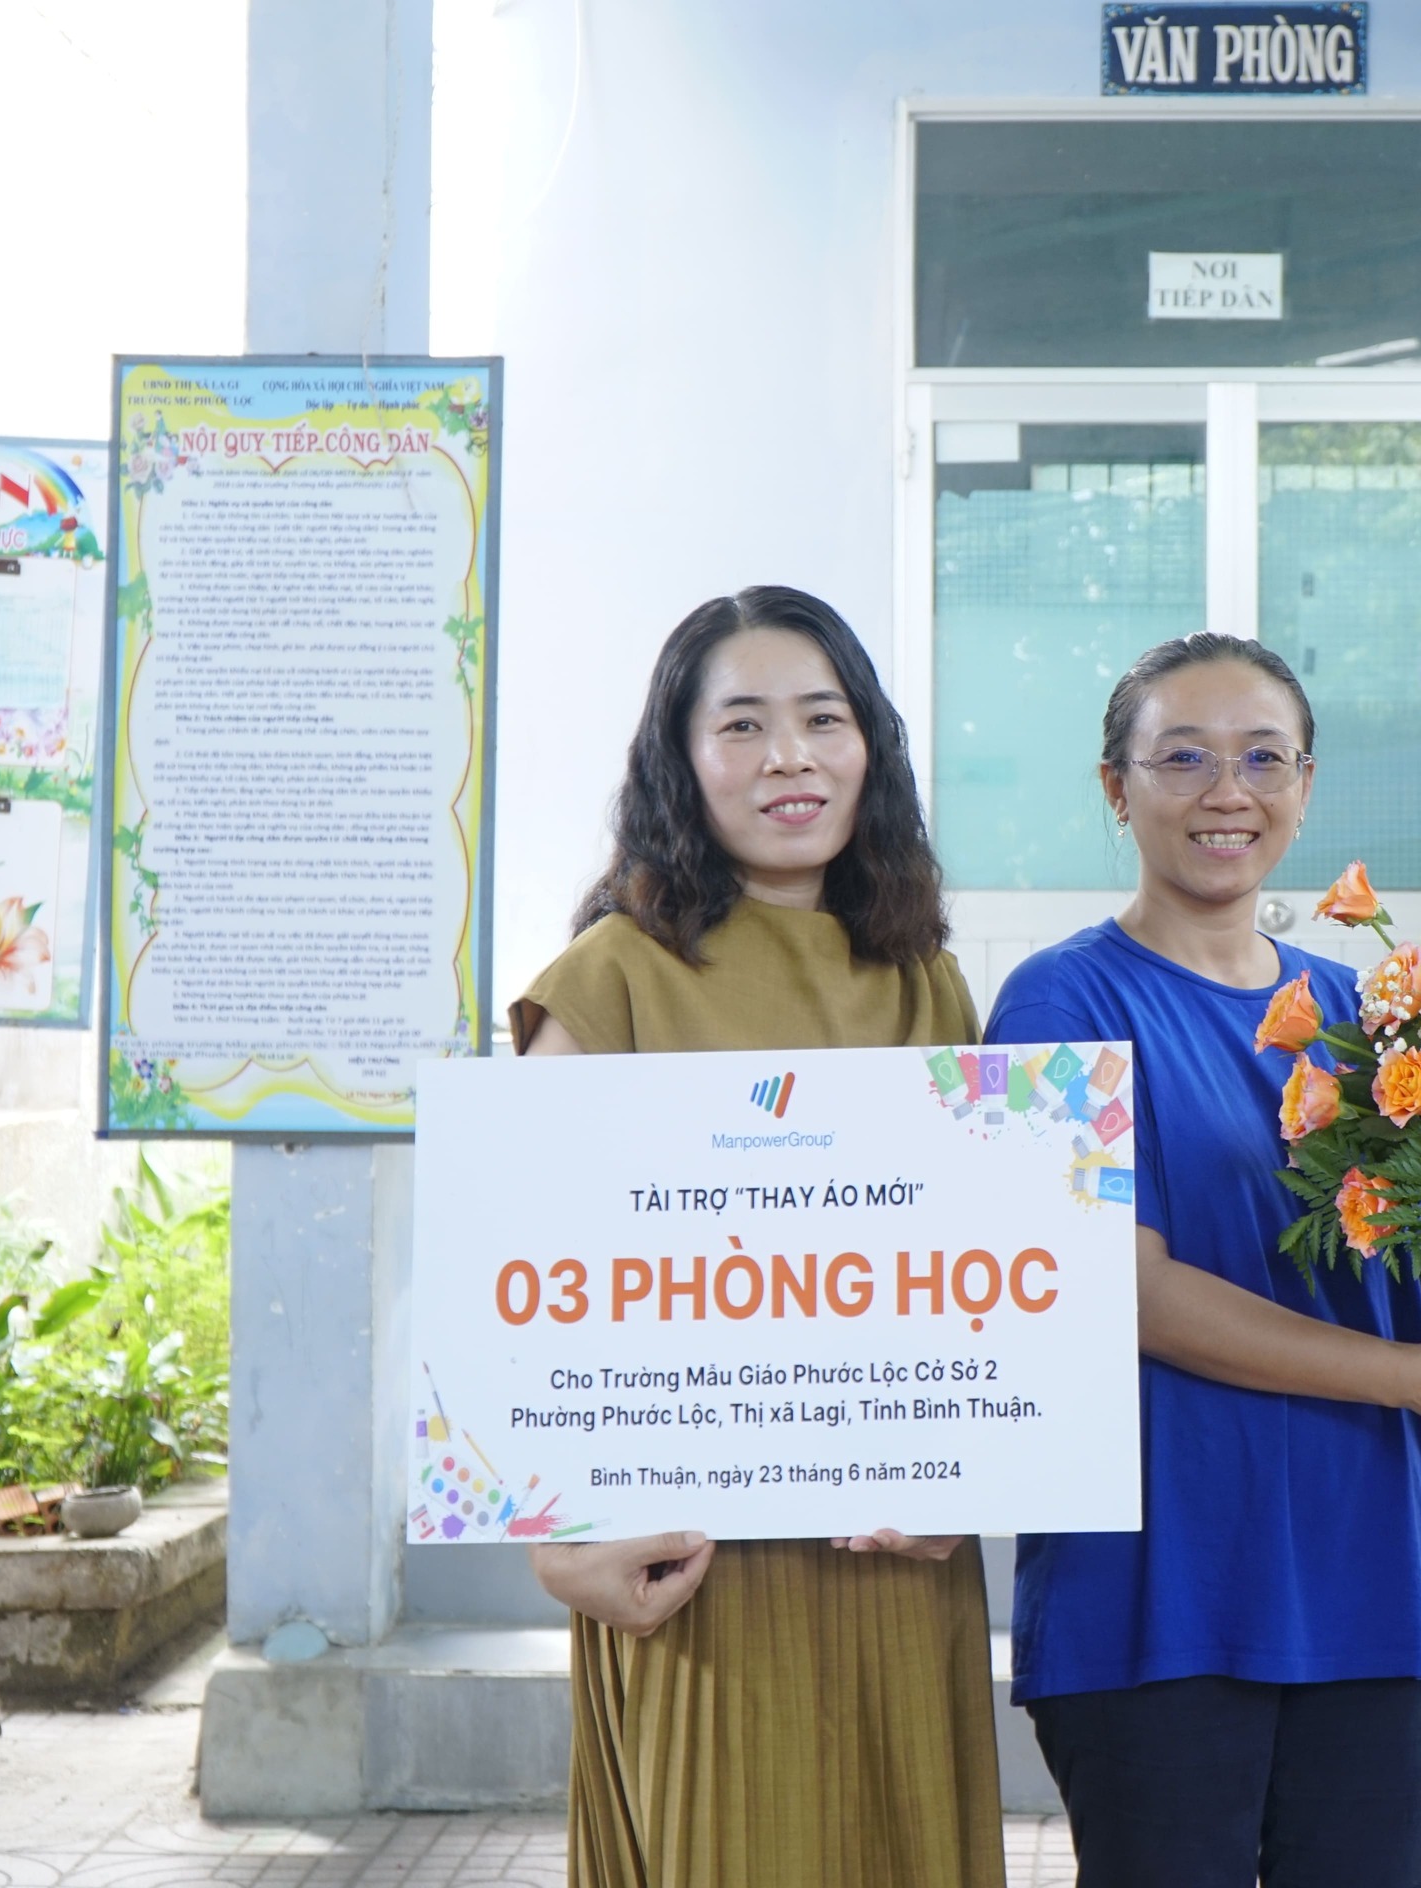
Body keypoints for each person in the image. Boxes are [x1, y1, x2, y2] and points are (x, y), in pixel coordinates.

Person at [983, 631, 1421, 1888]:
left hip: (1366, 1574)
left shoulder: (1371, 1018)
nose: (1225, 792)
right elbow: (1120, 1286)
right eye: (1182, 758)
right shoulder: (1058, 1005)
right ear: (1115, 786)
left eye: (1263, 758)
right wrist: (1414, 1379)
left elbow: (1420, 1277)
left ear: (1306, 786)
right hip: (1161, 1590)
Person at [513, 587, 1001, 1888]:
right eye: (743, 725)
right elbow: (519, 1273)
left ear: (869, 746)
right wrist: (558, 1551)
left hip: (897, 1563)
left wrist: (977, 1480)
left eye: (821, 719)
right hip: (690, 1570)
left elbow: (985, 1276)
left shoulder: (925, 980)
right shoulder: (612, 975)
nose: (789, 756)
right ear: (681, 762)